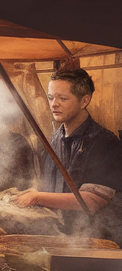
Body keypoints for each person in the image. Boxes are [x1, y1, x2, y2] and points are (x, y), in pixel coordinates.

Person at [16, 68, 122, 241]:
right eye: (51, 97)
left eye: (62, 98)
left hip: (96, 240)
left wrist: (38, 197)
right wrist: (35, 192)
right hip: (62, 237)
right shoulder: (56, 139)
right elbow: (52, 188)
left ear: (84, 101)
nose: (54, 104)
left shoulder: (104, 142)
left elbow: (91, 201)